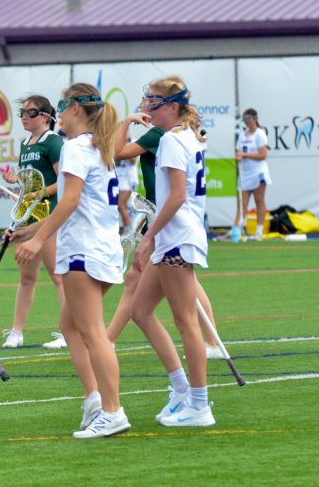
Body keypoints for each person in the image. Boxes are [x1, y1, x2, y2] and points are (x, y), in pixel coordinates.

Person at [11, 83, 130, 439]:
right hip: (102, 247)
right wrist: (29, 232)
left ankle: (112, 410)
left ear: (76, 108)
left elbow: (70, 201)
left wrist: (40, 240)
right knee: (70, 327)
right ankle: (95, 401)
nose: (57, 113)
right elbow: (75, 204)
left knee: (93, 333)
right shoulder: (96, 147)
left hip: (85, 249)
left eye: (62, 106)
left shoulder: (77, 148)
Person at [105, 105, 224, 360]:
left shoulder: (159, 135)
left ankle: (107, 341)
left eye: (146, 102)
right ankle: (212, 342)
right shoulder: (184, 133)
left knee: (140, 282)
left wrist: (126, 121)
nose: (141, 106)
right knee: (143, 281)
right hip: (165, 215)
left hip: (163, 217)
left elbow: (116, 153)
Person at [130, 75, 216, 428]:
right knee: (140, 310)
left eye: (155, 101)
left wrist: (148, 235)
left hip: (177, 237)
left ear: (174, 106)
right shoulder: (183, 137)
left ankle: (199, 404)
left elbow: (177, 196)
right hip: (175, 237)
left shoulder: (172, 141)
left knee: (186, 323)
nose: (148, 107)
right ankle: (182, 389)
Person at [0, 96, 67, 349]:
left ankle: (67, 332)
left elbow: (63, 182)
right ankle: (16, 332)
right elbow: (31, 182)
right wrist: (15, 179)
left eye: (31, 112)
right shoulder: (26, 144)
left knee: (58, 277)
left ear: (46, 116)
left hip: (49, 217)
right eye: (22, 112)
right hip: (29, 216)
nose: (24, 117)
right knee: (27, 277)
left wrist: (36, 194)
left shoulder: (53, 142)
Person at [234, 108, 271, 241]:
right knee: (242, 204)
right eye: (244, 119)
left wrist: (245, 155)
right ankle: (237, 232)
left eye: (248, 119)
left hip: (258, 173)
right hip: (245, 174)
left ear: (255, 119)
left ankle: (258, 233)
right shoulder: (243, 135)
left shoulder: (260, 134)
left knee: (259, 201)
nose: (246, 122)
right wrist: (239, 157)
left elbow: (263, 155)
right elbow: (238, 152)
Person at [115, 138, 139, 233]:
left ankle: (129, 231)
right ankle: (125, 228)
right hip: (119, 180)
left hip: (129, 180)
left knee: (121, 204)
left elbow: (133, 160)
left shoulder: (132, 143)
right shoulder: (115, 144)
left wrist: (124, 149)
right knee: (120, 205)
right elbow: (115, 160)